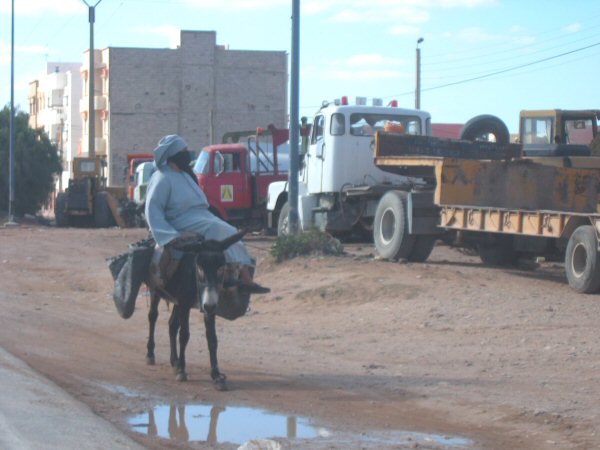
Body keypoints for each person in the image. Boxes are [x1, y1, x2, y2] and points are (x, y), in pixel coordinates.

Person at [145, 134, 270, 294]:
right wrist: (169, 236)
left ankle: (243, 277)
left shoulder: (185, 175)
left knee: (231, 232)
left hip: (200, 217)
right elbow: (153, 210)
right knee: (218, 229)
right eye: (183, 151)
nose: (187, 153)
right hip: (181, 220)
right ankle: (241, 279)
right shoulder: (162, 178)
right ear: (175, 154)